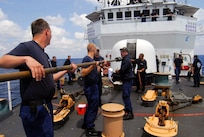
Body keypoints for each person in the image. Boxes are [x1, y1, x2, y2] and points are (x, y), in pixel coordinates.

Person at [0, 18, 77, 137]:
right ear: (47, 32)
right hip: (35, 110)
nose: (51, 35)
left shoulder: (44, 54)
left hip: (45, 107)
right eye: (51, 32)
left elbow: (50, 80)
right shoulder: (28, 47)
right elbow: (2, 61)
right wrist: (26, 59)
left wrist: (67, 70)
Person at [81, 43, 101, 136]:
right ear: (93, 49)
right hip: (90, 87)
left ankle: (86, 124)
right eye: (96, 49)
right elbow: (83, 73)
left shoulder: (92, 60)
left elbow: (94, 73)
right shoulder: (86, 59)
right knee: (93, 106)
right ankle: (90, 128)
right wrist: (93, 66)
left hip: (93, 85)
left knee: (90, 106)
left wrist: (98, 67)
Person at [116, 47, 134, 120]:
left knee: (126, 96)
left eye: (122, 52)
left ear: (125, 52)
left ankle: (130, 112)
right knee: (125, 95)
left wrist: (118, 71)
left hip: (127, 80)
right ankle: (127, 109)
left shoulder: (126, 60)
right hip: (127, 79)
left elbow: (123, 70)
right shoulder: (127, 59)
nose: (121, 54)